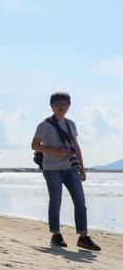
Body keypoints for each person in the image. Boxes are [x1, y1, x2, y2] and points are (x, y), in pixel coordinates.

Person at [31, 92, 101, 251]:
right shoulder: (45, 125)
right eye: (57, 104)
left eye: (64, 104)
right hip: (52, 169)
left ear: (69, 106)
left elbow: (75, 146)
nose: (61, 107)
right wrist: (58, 152)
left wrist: (82, 168)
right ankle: (56, 235)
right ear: (52, 106)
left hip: (71, 168)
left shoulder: (71, 124)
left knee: (80, 202)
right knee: (55, 202)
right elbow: (35, 145)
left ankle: (83, 237)